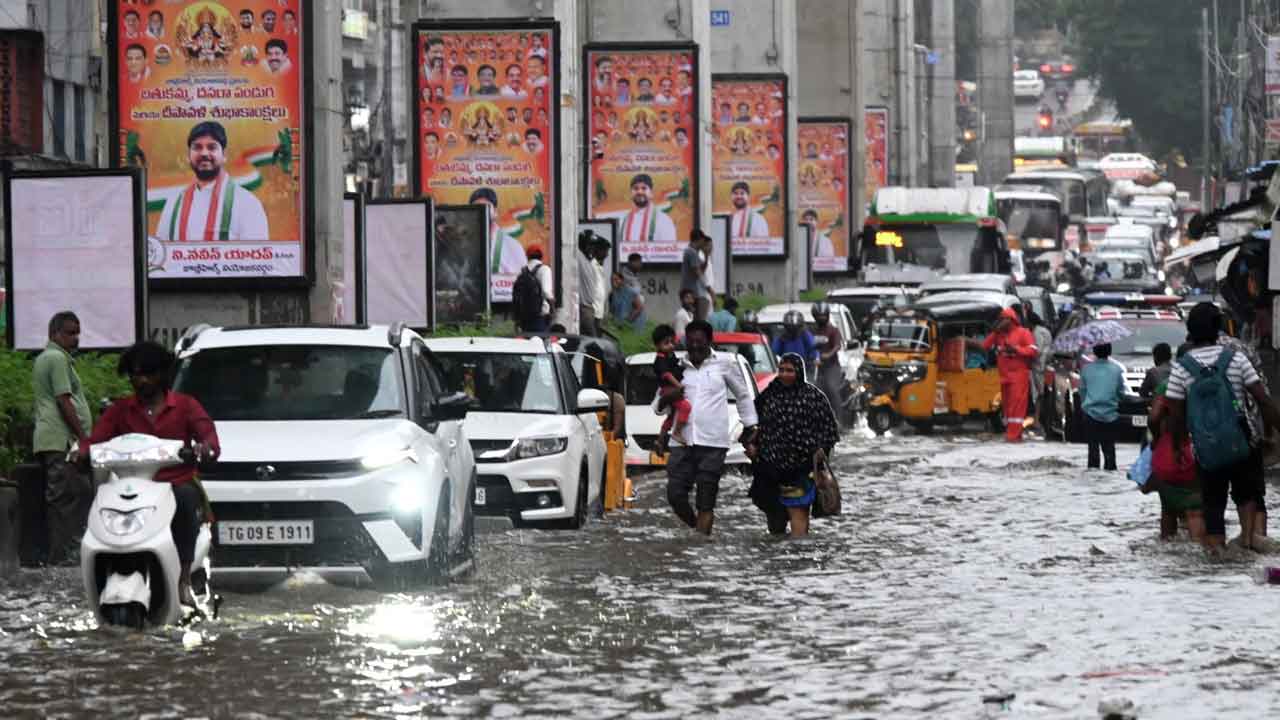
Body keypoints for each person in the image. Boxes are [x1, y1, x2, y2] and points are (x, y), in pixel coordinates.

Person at [87, 341, 220, 607]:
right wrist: (80, 451)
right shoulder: (120, 410)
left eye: (149, 373)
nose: (142, 380)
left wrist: (204, 448)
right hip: (132, 487)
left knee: (184, 499)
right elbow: (96, 440)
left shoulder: (186, 406)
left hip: (176, 483)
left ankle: (182, 579)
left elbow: (209, 438)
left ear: (163, 374)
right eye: (136, 374)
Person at [1165, 303, 1280, 553]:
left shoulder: (1182, 366)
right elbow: (1262, 399)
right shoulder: (1236, 358)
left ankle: (1217, 551)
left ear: (1190, 331)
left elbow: (1174, 414)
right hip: (1242, 442)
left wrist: (1177, 446)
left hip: (1205, 448)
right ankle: (1248, 543)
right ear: (1219, 327)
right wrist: (1274, 430)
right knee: (1247, 494)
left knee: (1213, 503)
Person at [659, 321, 758, 535]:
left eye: (700, 342)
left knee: (706, 500)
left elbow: (742, 395)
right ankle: (697, 528)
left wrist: (750, 426)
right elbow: (658, 406)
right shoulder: (676, 367)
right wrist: (670, 397)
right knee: (675, 495)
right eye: (691, 342)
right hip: (681, 442)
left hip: (713, 444)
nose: (694, 346)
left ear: (709, 342)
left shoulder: (725, 363)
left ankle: (701, 544)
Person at [746, 353, 841, 537]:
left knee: (799, 525)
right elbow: (752, 424)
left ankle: (798, 560)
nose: (784, 374)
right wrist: (751, 445)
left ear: (799, 372)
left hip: (801, 470)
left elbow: (829, 430)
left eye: (789, 370)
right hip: (769, 469)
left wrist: (822, 453)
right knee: (775, 525)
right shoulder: (768, 395)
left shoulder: (813, 397)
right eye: (781, 370)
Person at [32, 312, 93, 565]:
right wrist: (81, 436)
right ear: (54, 333)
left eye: (77, 332)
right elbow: (63, 399)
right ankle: (61, 556)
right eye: (69, 333)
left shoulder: (51, 357)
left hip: (58, 439)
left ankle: (65, 553)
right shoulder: (56, 358)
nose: (75, 338)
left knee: (74, 494)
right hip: (61, 439)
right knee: (67, 497)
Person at [155, 122, 269, 243]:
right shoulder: (174, 202)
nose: (204, 153)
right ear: (188, 155)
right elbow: (161, 254)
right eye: (197, 147)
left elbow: (256, 260)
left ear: (224, 155)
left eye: (212, 147)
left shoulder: (247, 203)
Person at [1144, 344, 1205, 542]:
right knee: (1195, 510)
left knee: (1168, 508)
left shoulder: (1168, 386)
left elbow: (1153, 418)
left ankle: (1168, 553)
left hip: (1170, 452)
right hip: (1203, 450)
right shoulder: (1207, 382)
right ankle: (1202, 558)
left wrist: (1156, 440)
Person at [967, 308, 1037, 442]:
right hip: (1004, 377)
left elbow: (1032, 351)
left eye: (1002, 320)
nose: (1000, 323)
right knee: (1008, 408)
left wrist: (1016, 350)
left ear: (1010, 320)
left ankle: (1013, 436)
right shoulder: (999, 335)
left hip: (1019, 376)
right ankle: (1013, 433)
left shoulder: (1023, 333)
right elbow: (985, 346)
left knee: (1017, 406)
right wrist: (994, 332)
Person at [1080, 343, 1125, 470]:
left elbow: (1083, 392)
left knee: (1093, 451)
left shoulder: (1086, 369)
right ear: (1109, 352)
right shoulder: (1117, 370)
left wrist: (1085, 406)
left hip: (1091, 414)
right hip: (1111, 415)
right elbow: (1120, 392)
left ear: (1094, 351)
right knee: (1109, 451)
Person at [652, 324, 692, 448]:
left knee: (672, 416)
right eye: (666, 343)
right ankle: (677, 432)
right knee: (685, 407)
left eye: (672, 342)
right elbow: (667, 375)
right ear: (657, 345)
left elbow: (676, 368)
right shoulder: (660, 359)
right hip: (668, 390)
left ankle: (660, 440)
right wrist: (679, 386)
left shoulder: (670, 355)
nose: (671, 345)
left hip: (671, 388)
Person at [470, 187, 526, 276]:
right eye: (476, 208)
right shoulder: (461, 244)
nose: (481, 212)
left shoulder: (512, 246)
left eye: (486, 207)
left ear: (495, 212)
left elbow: (522, 283)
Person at [811, 302, 846, 422]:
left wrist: (828, 355)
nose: (822, 318)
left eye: (824, 315)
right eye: (819, 316)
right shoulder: (811, 331)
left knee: (831, 388)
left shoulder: (833, 330)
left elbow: (837, 346)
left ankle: (839, 421)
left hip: (832, 367)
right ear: (814, 316)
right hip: (815, 367)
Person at [621, 174, 677, 245]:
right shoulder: (625, 219)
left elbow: (670, 251)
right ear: (631, 193)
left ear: (651, 193)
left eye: (644, 188)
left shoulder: (663, 220)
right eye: (635, 188)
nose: (639, 192)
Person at [515, 245, 554, 332]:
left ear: (527, 256)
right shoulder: (545, 269)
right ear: (541, 256)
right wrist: (552, 309)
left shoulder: (522, 271)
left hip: (524, 317)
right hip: (539, 316)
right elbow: (546, 291)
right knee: (540, 343)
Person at [772, 310, 818, 380]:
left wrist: (812, 360)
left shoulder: (805, 335)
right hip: (786, 370)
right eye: (789, 327)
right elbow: (774, 352)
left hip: (804, 369)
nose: (792, 330)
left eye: (795, 328)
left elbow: (813, 349)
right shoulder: (781, 337)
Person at [1029, 312, 1054, 431]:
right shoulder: (1045, 330)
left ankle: (1037, 420)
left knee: (1039, 395)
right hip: (1045, 365)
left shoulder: (1037, 332)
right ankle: (1039, 419)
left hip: (1039, 367)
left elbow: (1037, 351)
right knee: (1041, 394)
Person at [577, 232, 605, 336]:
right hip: (584, 308)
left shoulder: (588, 261)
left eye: (593, 246)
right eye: (590, 245)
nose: (592, 249)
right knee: (593, 341)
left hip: (590, 308)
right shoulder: (579, 257)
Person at [681, 230, 711, 321]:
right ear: (700, 240)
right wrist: (710, 290)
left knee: (695, 319)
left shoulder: (694, 253)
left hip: (693, 292)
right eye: (703, 241)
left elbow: (702, 269)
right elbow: (698, 273)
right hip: (690, 293)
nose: (704, 244)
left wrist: (706, 256)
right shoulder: (691, 252)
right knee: (695, 320)